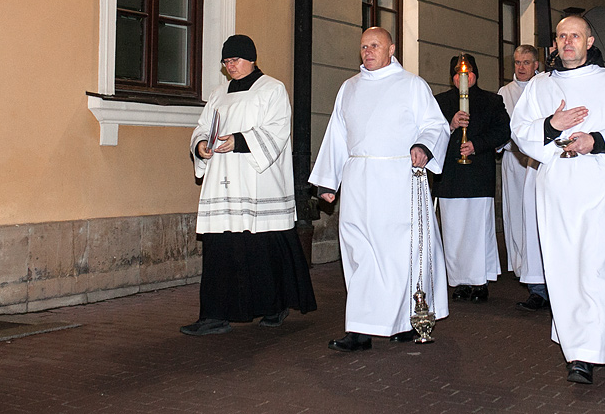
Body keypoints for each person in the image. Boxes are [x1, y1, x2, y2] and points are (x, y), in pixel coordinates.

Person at [510, 15, 605, 385]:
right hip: (556, 185)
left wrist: (596, 140)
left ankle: (587, 352)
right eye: (561, 36)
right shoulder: (540, 86)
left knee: (597, 267)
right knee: (562, 266)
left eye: (575, 35)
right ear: (554, 44)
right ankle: (575, 345)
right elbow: (520, 130)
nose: (567, 41)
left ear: (589, 41)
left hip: (599, 183)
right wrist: (551, 126)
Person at [309, 27, 450, 351]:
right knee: (360, 253)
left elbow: (435, 126)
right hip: (359, 180)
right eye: (363, 47)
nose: (367, 51)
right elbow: (337, 136)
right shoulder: (349, 88)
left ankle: (404, 322)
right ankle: (359, 328)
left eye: (374, 45)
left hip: (399, 178)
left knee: (399, 254)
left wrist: (423, 147)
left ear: (391, 49)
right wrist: (328, 182)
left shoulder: (412, 86)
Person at [182, 35, 317, 336]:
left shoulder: (272, 89)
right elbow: (203, 127)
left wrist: (240, 141)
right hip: (224, 183)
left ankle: (273, 305)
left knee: (261, 248)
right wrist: (202, 145)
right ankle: (215, 315)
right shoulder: (218, 94)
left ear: (252, 59)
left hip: (258, 181)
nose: (230, 65)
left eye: (236, 60)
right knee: (220, 247)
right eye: (226, 61)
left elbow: (278, 129)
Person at [431, 54, 510, 303]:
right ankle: (460, 281)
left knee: (477, 231)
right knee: (453, 232)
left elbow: (503, 131)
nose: (462, 77)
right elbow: (428, 131)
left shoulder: (491, 101)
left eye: (467, 72)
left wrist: (477, 144)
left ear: (476, 74)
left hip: (478, 175)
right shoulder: (439, 102)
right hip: (450, 177)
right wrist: (450, 125)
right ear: (452, 77)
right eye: (457, 73)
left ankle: (479, 281)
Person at [498, 45, 550, 311]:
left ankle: (544, 283)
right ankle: (526, 273)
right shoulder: (505, 93)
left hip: (542, 159)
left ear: (536, 64)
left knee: (540, 219)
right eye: (517, 62)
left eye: (526, 62)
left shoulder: (546, 85)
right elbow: (502, 127)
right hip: (516, 159)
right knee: (519, 217)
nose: (521, 67)